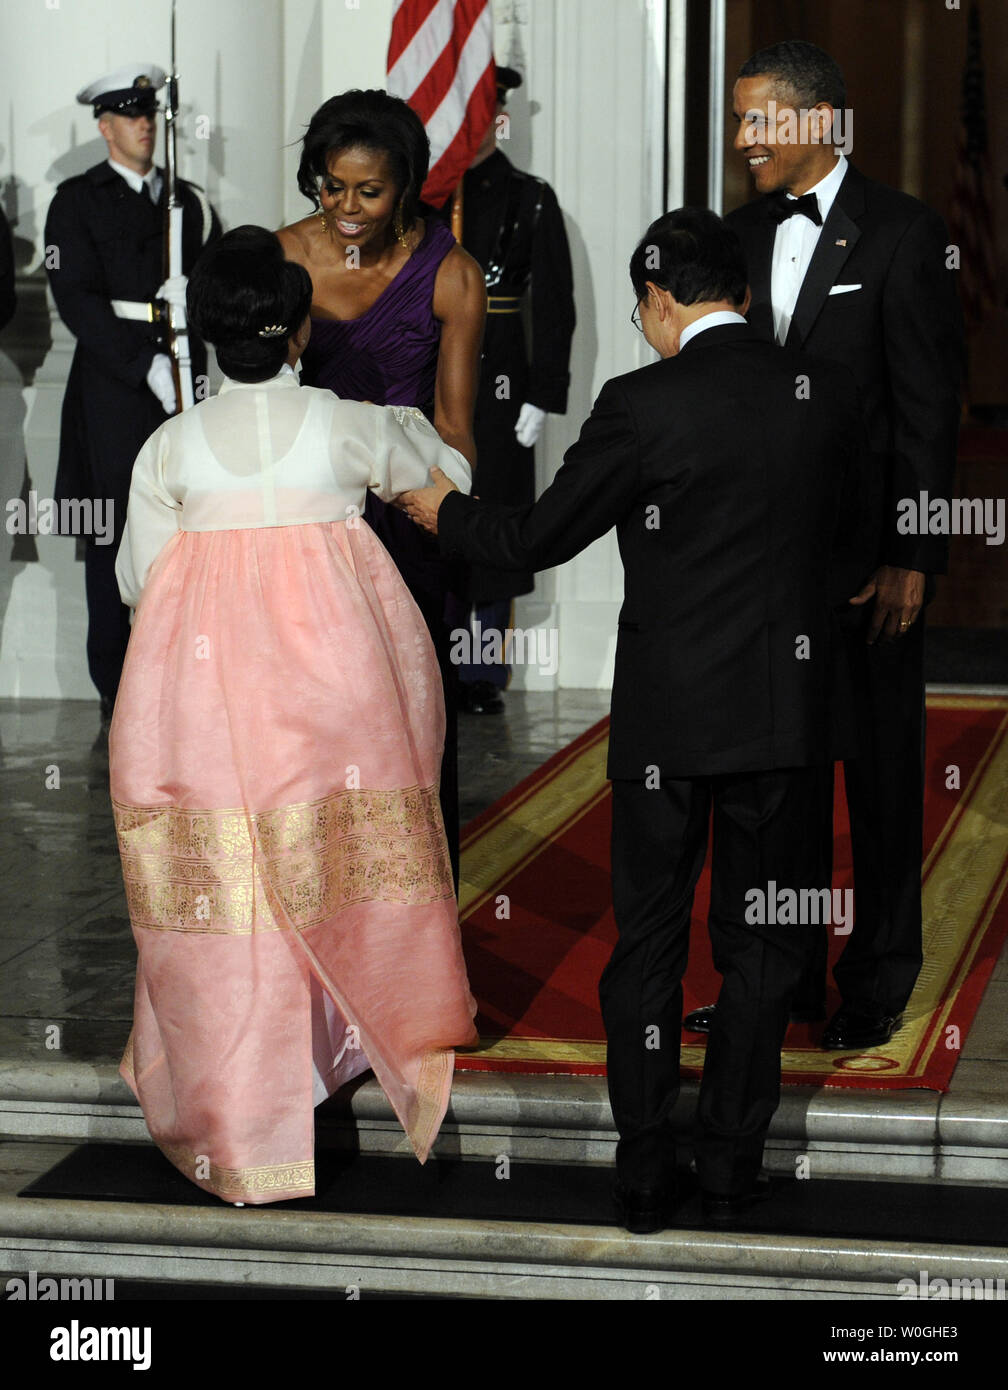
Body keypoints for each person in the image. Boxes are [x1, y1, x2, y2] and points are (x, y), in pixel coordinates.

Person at [401, 208, 872, 1231]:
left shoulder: (640, 403)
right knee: (762, 950)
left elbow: (536, 538)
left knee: (650, 944)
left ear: (661, 302)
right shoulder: (821, 393)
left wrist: (448, 513)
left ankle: (647, 1168)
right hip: (787, 719)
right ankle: (733, 1167)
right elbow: (858, 544)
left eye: (640, 309)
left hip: (668, 725)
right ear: (739, 293)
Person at [110, 227, 477, 1206]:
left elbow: (138, 579)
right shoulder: (344, 423)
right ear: (300, 332)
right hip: (337, 706)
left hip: (206, 710)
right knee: (335, 874)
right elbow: (450, 478)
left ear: (206, 341)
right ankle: (334, 1086)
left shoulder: (170, 447)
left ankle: (248, 1119)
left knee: (236, 906)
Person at [685, 40, 964, 1051]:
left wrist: (916, 554)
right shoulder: (736, 235)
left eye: (759, 119)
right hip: (763, 567)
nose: (743, 139)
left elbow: (932, 412)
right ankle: (777, 977)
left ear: (819, 121)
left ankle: (880, 977)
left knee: (881, 777)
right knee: (774, 785)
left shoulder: (904, 233)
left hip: (868, 564)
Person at [277, 89, 486, 886]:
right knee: (316, 722)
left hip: (409, 524)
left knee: (413, 719)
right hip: (307, 521)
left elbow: (458, 426)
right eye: (332, 186)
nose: (347, 207)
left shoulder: (452, 273)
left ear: (406, 185)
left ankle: (423, 922)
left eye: (370, 190)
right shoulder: (284, 256)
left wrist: (436, 508)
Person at [45, 64, 220, 741]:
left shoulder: (185, 204)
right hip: (114, 391)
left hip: (179, 380)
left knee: (181, 536)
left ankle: (179, 679)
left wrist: (190, 313)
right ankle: (117, 689)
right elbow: (78, 302)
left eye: (149, 112)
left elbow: (212, 289)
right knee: (112, 535)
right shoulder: (77, 201)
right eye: (129, 114)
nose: (144, 123)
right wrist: (140, 362)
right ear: (104, 125)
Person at [432, 65, 576, 714]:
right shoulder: (427, 195)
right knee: (432, 515)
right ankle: (434, 663)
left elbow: (555, 304)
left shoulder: (531, 198)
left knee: (494, 522)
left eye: (488, 111)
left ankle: (483, 670)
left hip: (503, 383)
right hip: (432, 376)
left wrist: (543, 394)